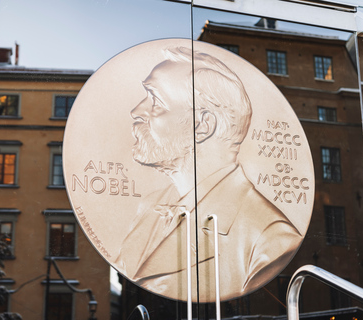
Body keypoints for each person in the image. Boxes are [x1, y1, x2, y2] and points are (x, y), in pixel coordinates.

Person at [114, 46, 302, 301]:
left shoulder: (271, 239)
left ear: (203, 125)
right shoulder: (148, 208)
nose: (136, 111)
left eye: (155, 100)